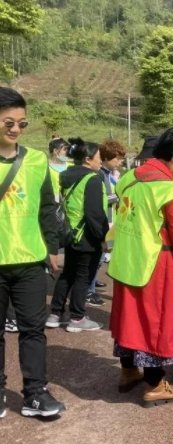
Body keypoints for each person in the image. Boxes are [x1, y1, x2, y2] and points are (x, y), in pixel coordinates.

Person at [108, 127, 173, 405]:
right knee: (154, 324)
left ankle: (128, 371)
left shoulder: (127, 179)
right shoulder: (169, 190)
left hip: (126, 259)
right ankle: (156, 382)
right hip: (155, 265)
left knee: (128, 319)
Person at [0, 87, 65, 418]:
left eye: (22, 124)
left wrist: (51, 248)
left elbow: (46, 208)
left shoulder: (37, 160)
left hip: (29, 260)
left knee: (33, 330)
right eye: (8, 122)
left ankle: (35, 393)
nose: (15, 130)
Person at [46, 138, 108, 333]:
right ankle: (77, 317)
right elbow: (94, 214)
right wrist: (102, 239)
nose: (101, 161)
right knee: (83, 276)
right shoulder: (93, 179)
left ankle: (55, 313)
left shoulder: (66, 175)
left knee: (68, 274)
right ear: (88, 159)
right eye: (99, 157)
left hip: (70, 233)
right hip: (87, 236)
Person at [85, 139, 126, 306]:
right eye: (117, 159)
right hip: (103, 221)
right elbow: (102, 198)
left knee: (101, 257)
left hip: (110, 220)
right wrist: (121, 197)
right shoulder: (100, 174)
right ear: (107, 158)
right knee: (98, 257)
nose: (120, 162)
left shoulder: (108, 174)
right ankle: (88, 290)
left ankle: (91, 285)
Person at [47, 136, 71, 200]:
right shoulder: (46, 169)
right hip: (52, 205)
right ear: (55, 151)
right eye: (65, 149)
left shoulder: (71, 167)